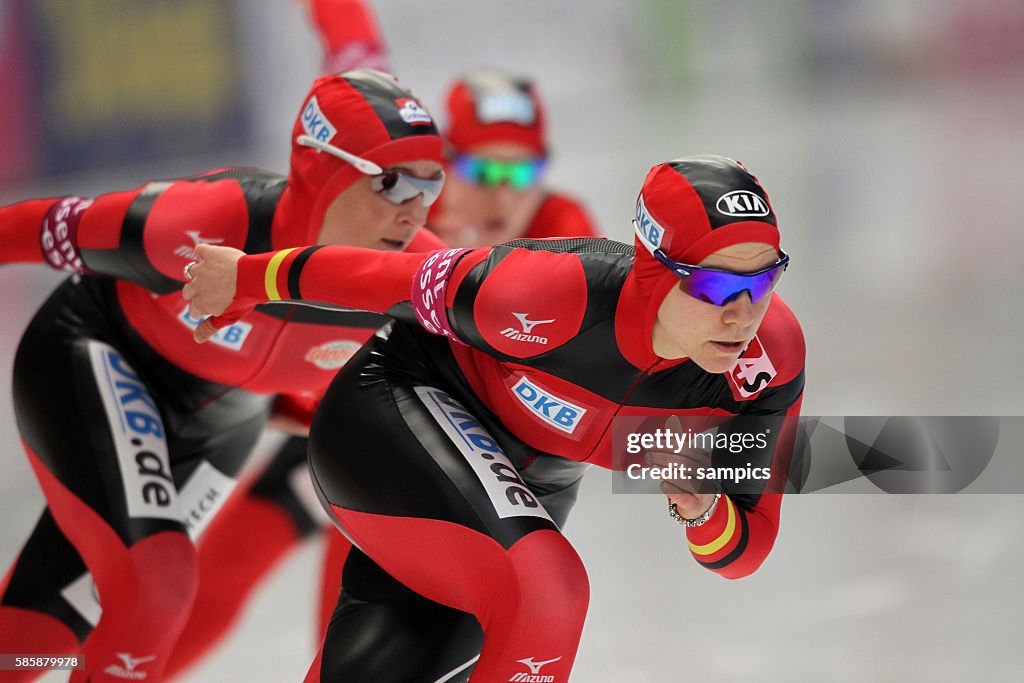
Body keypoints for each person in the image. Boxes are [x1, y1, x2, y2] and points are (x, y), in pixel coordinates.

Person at [184, 154, 806, 681]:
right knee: (548, 588)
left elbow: (748, 548)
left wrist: (702, 510)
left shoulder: (764, 367)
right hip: (400, 409)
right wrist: (245, 276)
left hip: (526, 479)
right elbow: (385, 279)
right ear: (653, 270)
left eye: (765, 279)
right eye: (718, 288)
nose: (743, 314)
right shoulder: (545, 295)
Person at [0, 68, 446, 683]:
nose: (416, 209)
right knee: (156, 581)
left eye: (432, 183)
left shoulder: (418, 277)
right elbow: (28, 229)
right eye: (394, 184)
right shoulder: (206, 221)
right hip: (99, 355)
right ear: (321, 172)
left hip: (221, 421)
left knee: (39, 638)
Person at [428, 69, 599, 247]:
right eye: (483, 172)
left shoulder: (564, 231)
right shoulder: (410, 217)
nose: (502, 198)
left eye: (523, 173)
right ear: (445, 167)